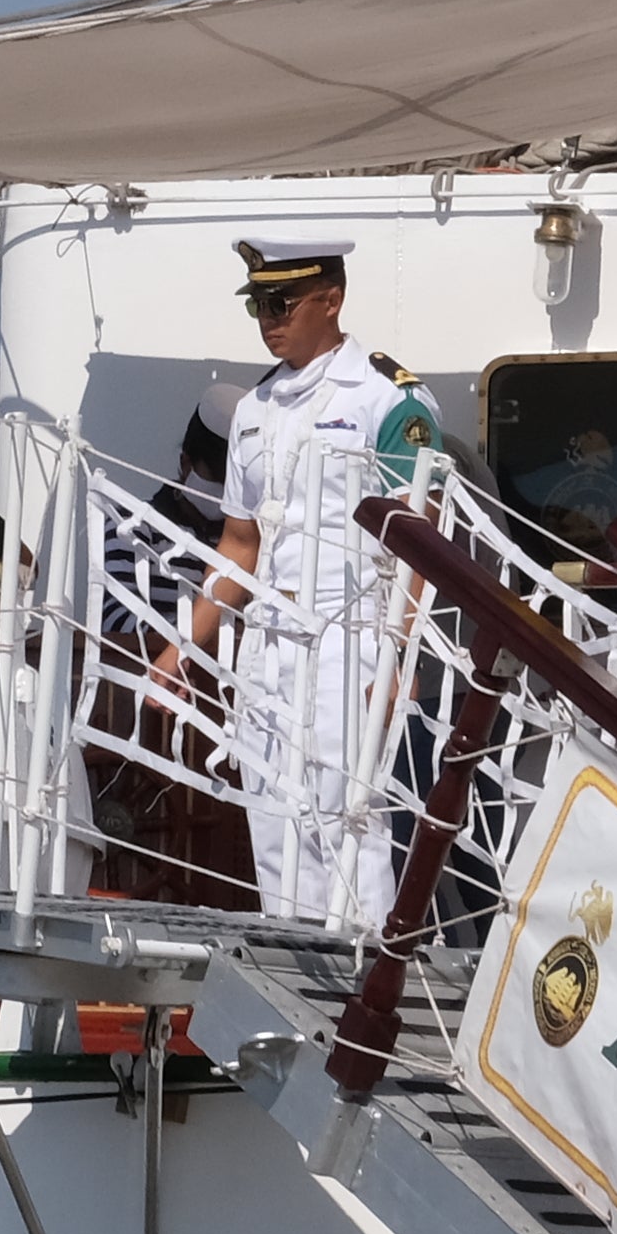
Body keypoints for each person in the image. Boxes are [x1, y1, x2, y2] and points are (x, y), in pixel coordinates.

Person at [177, 239, 439, 930]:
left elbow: (421, 540)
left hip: (351, 637)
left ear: (331, 299)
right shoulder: (256, 410)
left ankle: (361, 987)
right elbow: (240, 544)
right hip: (270, 644)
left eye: (281, 302)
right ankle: (298, 990)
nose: (267, 317)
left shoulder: (390, 398)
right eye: (258, 304)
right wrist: (187, 649)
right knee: (274, 818)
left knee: (349, 821)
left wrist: (398, 659)